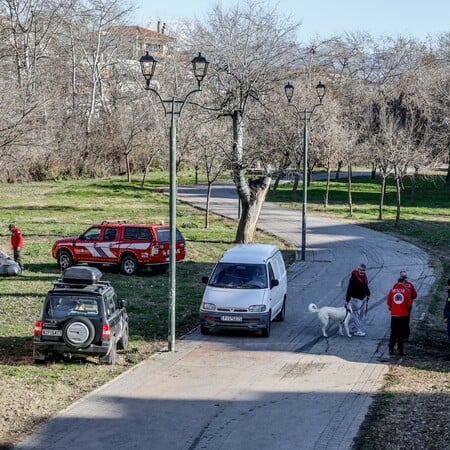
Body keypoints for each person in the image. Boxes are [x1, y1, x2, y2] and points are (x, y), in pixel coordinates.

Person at [387, 275, 413, 356]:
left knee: (393, 332)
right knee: (401, 333)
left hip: (394, 315)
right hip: (403, 315)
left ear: (397, 282)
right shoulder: (407, 291)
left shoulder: (392, 290)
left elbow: (388, 303)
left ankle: (391, 348)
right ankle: (400, 350)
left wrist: (393, 308)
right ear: (404, 282)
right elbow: (409, 304)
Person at [346, 263, 371, 336]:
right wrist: (347, 300)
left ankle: (355, 327)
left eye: (363, 270)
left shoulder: (364, 277)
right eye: (360, 270)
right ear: (358, 269)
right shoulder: (353, 278)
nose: (362, 271)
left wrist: (368, 294)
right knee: (356, 314)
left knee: (361, 314)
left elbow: (366, 285)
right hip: (356, 299)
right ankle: (357, 330)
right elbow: (349, 289)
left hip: (362, 298)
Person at [399, 270, 417, 341]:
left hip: (402, 307)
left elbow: (414, 295)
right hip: (405, 306)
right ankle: (405, 336)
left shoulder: (397, 285)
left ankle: (403, 336)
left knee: (401, 321)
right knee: (405, 321)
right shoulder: (409, 285)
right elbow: (414, 295)